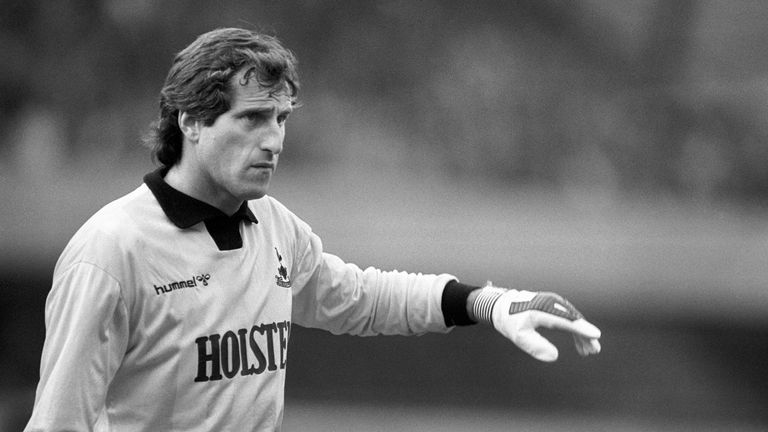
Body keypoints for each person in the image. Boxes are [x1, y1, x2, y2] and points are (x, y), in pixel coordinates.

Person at [25, 27, 601, 432]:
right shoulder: (111, 251)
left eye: (281, 118)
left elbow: (362, 298)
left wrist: (488, 302)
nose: (273, 139)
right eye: (251, 117)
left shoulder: (274, 227)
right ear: (192, 120)